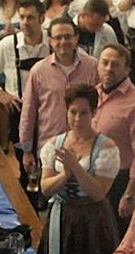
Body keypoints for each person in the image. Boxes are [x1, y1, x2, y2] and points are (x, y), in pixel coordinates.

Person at [37, 82, 121, 254]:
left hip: (92, 221)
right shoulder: (54, 144)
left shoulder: (106, 148)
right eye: (73, 112)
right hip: (61, 217)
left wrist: (75, 167)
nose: (77, 119)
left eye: (83, 113)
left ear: (93, 113)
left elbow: (98, 193)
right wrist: (66, 174)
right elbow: (46, 188)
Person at [18, 17, 99, 182]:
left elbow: (101, 107)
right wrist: (27, 150)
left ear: (76, 39)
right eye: (58, 37)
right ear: (50, 41)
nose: (63, 41)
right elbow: (28, 112)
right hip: (50, 148)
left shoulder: (93, 67)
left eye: (68, 36)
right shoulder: (38, 71)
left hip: (86, 148)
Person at [0, 0, 47, 154]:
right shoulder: (9, 44)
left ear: (42, 18)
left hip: (49, 110)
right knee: (23, 161)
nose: (25, 22)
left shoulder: (54, 43)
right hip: (20, 111)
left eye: (31, 17)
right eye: (22, 17)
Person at [92, 43, 135, 221]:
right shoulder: (93, 94)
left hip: (118, 182)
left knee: (113, 236)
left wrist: (129, 194)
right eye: (105, 63)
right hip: (91, 175)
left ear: (127, 70)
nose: (109, 69)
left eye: (116, 64)